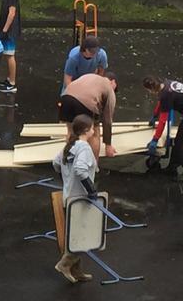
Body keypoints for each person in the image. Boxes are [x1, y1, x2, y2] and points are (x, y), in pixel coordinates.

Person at [52, 114, 97, 283]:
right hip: (80, 198)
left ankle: (77, 270)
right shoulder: (84, 147)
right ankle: (65, 263)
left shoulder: (69, 146)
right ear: (86, 130)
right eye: (92, 127)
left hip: (68, 197)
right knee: (84, 236)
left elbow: (55, 163)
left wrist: (66, 176)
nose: (93, 130)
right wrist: (91, 189)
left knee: (76, 235)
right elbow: (80, 169)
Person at [59, 72, 119, 160]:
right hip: (85, 102)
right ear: (113, 82)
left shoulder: (90, 76)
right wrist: (108, 145)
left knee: (71, 132)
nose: (114, 91)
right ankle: (93, 166)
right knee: (94, 133)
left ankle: (67, 161)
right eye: (115, 89)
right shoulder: (109, 88)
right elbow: (107, 120)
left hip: (66, 98)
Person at [143, 76, 183, 181]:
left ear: (151, 89)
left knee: (179, 144)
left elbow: (162, 121)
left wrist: (155, 139)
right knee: (179, 141)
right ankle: (172, 168)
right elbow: (161, 103)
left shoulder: (166, 95)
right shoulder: (166, 84)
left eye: (148, 90)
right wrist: (155, 115)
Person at [0, 0, 21, 94]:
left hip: (9, 30)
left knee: (10, 55)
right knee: (7, 55)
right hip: (6, 28)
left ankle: (12, 83)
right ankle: (10, 78)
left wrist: (5, 30)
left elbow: (12, 13)